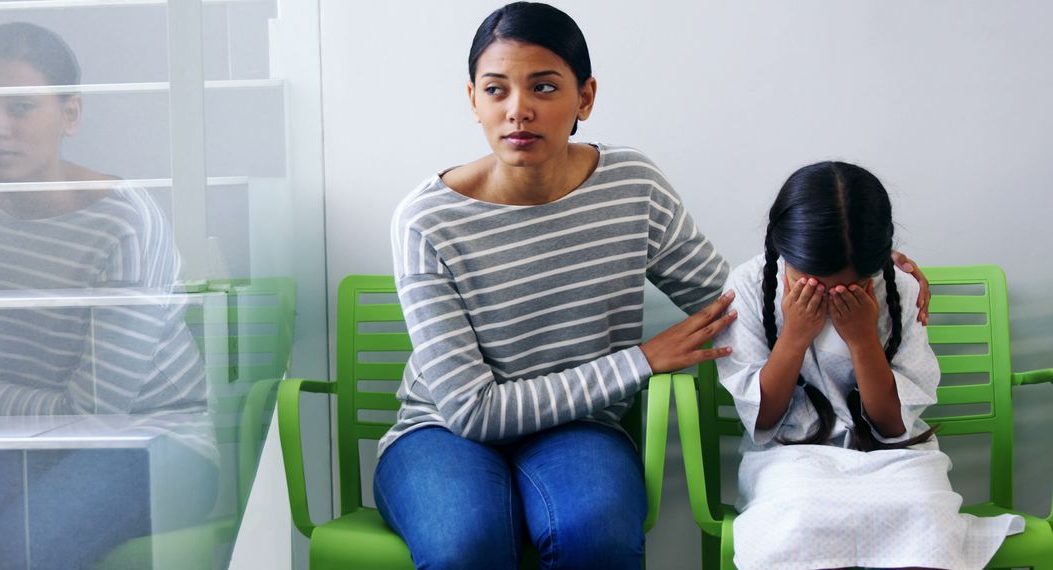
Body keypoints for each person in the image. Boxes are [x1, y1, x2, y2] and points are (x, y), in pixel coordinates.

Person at [375, 3, 932, 568]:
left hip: (579, 427)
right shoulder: (425, 221)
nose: (519, 110)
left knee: (596, 535)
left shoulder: (631, 185)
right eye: (496, 90)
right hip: (443, 432)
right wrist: (640, 361)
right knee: (466, 543)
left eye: (544, 87)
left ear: (585, 98)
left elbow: (734, 304)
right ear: (472, 99)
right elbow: (474, 411)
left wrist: (857, 261)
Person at [0, 22, 216, 569]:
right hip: (7, 440)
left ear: (70, 116)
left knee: (19, 550)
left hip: (149, 440)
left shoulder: (122, 220)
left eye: (18, 108)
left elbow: (95, 416)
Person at [714, 161, 1022, 569]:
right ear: (782, 247)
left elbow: (894, 428)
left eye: (850, 285)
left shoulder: (900, 286)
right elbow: (765, 420)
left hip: (894, 455)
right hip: (789, 455)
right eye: (810, 280)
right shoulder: (749, 288)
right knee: (800, 517)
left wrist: (862, 339)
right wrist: (795, 336)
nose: (830, 294)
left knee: (924, 515)